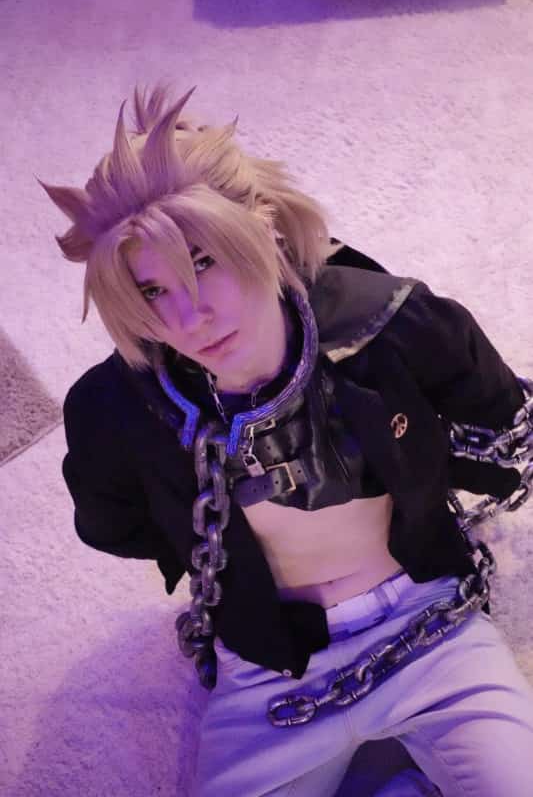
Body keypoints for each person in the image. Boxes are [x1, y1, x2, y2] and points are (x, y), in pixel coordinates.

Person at [39, 81, 533, 797]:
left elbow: (502, 425)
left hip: (431, 623)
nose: (190, 317)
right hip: (267, 670)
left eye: (203, 262)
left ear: (263, 230)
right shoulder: (113, 411)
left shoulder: (393, 324)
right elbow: (117, 525)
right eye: (152, 291)